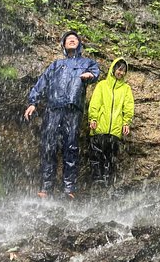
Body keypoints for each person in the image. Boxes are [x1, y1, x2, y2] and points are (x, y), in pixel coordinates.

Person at [24, 30, 100, 199]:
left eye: (75, 39)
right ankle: (46, 186)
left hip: (73, 110)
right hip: (53, 109)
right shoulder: (56, 65)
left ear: (79, 44)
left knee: (71, 147)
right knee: (49, 146)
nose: (72, 41)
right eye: (68, 39)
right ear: (64, 45)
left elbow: (96, 72)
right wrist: (32, 102)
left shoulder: (87, 62)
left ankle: (69, 188)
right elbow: (41, 82)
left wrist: (91, 75)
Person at [88, 58, 134, 187]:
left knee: (110, 157)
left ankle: (107, 183)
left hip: (115, 130)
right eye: (119, 69)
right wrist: (93, 118)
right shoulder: (102, 85)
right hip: (99, 127)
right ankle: (97, 182)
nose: (121, 73)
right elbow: (95, 103)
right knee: (96, 156)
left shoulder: (126, 89)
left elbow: (128, 107)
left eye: (124, 71)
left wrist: (126, 123)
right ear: (113, 69)